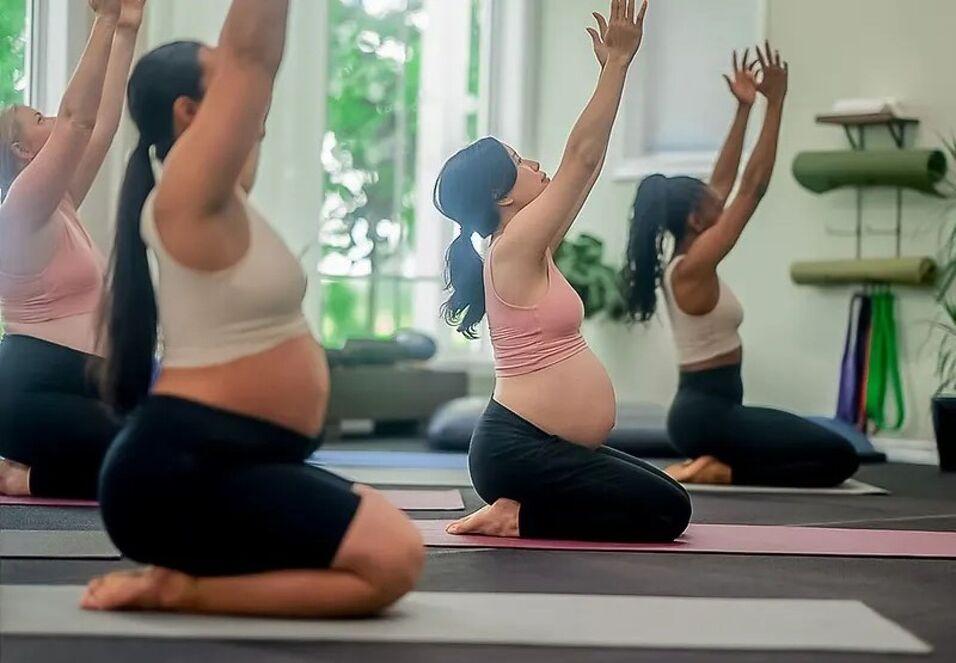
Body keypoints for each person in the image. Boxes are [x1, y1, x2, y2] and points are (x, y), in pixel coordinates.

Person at [82, 0, 423, 617]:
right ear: (189, 113)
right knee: (393, 558)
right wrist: (244, 62)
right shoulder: (184, 189)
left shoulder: (223, 201)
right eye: (225, 78)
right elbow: (253, 54)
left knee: (386, 530)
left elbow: (252, 70)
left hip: (234, 460)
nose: (254, 96)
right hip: (180, 471)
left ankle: (186, 578)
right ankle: (184, 591)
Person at [434, 0, 690, 542]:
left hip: (535, 445)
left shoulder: (526, 246)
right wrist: (615, 66)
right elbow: (583, 160)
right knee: (668, 510)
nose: (537, 165)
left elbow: (578, 166)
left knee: (664, 493)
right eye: (522, 163)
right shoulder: (512, 249)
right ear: (499, 194)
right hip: (518, 447)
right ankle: (517, 514)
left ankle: (517, 507)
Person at [622, 44, 860, 487]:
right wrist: (777, 103)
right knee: (839, 457)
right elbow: (751, 189)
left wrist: (744, 109)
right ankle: (721, 469)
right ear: (696, 219)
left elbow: (727, 180)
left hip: (714, 412)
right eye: (713, 203)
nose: (721, 199)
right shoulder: (691, 267)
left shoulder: (687, 258)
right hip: (707, 415)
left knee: (831, 455)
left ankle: (718, 464)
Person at [0, 0, 145, 499]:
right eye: (38, 117)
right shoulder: (19, 212)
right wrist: (103, 22)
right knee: (162, 457)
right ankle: (25, 477)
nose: (54, 118)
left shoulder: (57, 203)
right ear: (21, 150)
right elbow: (78, 124)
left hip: (87, 383)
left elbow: (100, 128)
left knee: (185, 447)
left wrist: (127, 28)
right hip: (34, 389)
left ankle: (30, 471)